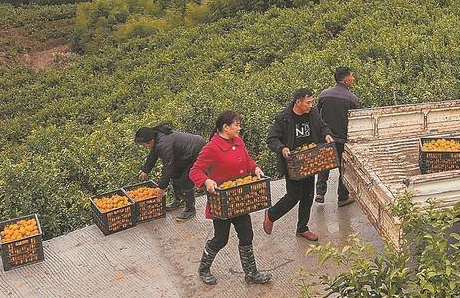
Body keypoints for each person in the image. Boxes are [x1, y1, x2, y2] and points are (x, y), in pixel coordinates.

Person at [189, 111, 271, 286]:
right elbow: (195, 171)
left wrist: (255, 168)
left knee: (247, 234)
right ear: (225, 127)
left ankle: (251, 273)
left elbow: (247, 161)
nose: (239, 128)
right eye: (236, 125)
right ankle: (204, 268)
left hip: (239, 199)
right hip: (222, 201)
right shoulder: (211, 148)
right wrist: (206, 180)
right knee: (221, 239)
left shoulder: (238, 142)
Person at [264, 88, 334, 241]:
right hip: (293, 164)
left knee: (308, 196)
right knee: (293, 196)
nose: (311, 105)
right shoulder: (283, 118)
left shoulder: (313, 113)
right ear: (298, 102)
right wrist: (282, 148)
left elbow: (323, 126)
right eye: (308, 102)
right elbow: (272, 139)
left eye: (311, 102)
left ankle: (302, 228)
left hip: (309, 161)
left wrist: (327, 134)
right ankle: (271, 214)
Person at [135, 123, 206, 221]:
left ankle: (190, 209)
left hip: (198, 151)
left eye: (143, 144)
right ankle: (179, 199)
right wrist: (145, 170)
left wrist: (162, 187)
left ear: (149, 141)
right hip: (185, 155)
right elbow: (153, 155)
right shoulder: (156, 137)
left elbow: (168, 166)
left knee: (185, 181)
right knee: (175, 174)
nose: (143, 146)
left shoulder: (163, 144)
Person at [315, 67, 360, 206]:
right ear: (346, 79)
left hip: (326, 137)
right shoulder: (352, 98)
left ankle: (320, 193)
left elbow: (317, 114)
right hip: (342, 139)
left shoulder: (324, 94)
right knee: (344, 168)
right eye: (351, 76)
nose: (353, 78)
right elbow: (357, 120)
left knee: (325, 164)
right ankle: (342, 197)